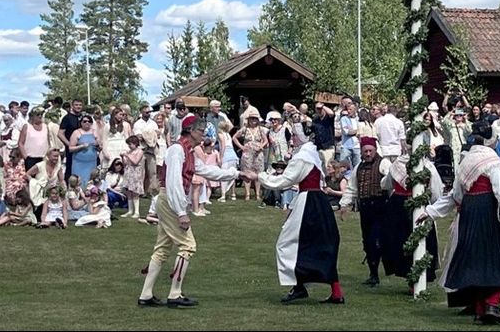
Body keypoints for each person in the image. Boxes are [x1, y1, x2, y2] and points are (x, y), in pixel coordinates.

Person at [138, 115, 237, 309]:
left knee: (163, 249)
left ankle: (146, 294)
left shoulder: (188, 151)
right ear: (191, 130)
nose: (204, 135)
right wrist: (181, 212)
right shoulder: (177, 150)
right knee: (188, 245)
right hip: (170, 201)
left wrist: (235, 173)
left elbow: (207, 171)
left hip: (169, 201)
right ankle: (175, 293)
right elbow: (174, 182)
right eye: (201, 131)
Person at [422, 144, 500, 325]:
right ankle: (492, 305)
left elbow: (456, 196)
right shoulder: (491, 162)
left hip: (469, 212)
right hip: (488, 211)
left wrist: (431, 211)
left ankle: (479, 310)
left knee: (475, 260)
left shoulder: (464, 166)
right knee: (496, 257)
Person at [242, 140, 345, 305]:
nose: (293, 139)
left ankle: (299, 287)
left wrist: (258, 176)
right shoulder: (314, 156)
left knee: (285, 244)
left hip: (308, 202)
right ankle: (334, 292)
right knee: (323, 245)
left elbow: (283, 181)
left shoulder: (303, 157)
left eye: (295, 136)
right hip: (319, 202)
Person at [381, 146, 443, 288]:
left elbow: (387, 184)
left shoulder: (397, 164)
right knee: (418, 240)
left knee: (402, 240)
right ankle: (414, 278)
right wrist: (432, 204)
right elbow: (436, 190)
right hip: (416, 205)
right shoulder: (427, 166)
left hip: (398, 206)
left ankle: (412, 277)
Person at [340, 136, 387, 286]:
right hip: (365, 208)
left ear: (375, 150)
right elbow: (352, 188)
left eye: (370, 151)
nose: (367, 154)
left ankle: (377, 273)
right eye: (365, 151)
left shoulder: (384, 163)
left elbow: (392, 181)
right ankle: (373, 273)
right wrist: (344, 204)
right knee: (367, 241)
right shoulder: (358, 167)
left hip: (380, 207)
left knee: (376, 240)